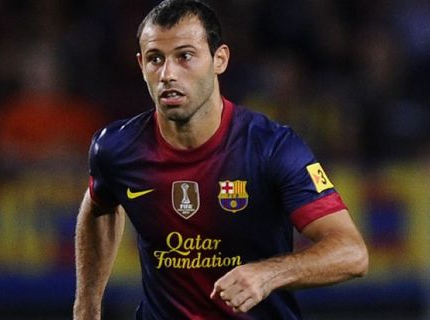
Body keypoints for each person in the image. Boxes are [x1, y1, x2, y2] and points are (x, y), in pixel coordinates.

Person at [73, 0, 369, 319]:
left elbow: (352, 253)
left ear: (219, 59)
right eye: (155, 59)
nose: (168, 74)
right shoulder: (116, 149)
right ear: (140, 64)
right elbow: (100, 205)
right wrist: (87, 307)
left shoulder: (271, 147)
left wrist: (267, 274)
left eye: (185, 56)